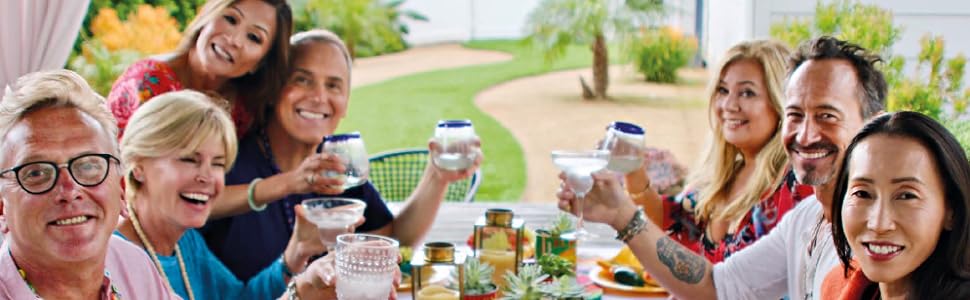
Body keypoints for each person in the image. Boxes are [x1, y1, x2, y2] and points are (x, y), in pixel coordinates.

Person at [556, 36, 887, 299]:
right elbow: (721, 287)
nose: (806, 133)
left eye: (827, 115)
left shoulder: (874, 233)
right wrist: (620, 213)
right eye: (796, 115)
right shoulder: (806, 218)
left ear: (870, 126)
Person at [202, 29, 482, 281]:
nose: (319, 97)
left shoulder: (338, 165)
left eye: (333, 85)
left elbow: (394, 240)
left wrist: (436, 176)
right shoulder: (231, 161)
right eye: (302, 79)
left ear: (346, 103)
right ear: (275, 89)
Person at [115, 90, 348, 299]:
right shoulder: (116, 258)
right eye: (188, 159)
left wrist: (293, 256)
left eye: (217, 164)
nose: (207, 177)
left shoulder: (185, 242)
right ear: (138, 166)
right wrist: (300, 291)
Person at [622, 39, 809, 263]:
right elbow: (670, 221)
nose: (729, 105)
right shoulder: (727, 175)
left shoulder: (796, 185)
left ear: (782, 104)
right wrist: (632, 169)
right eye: (723, 90)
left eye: (747, 93)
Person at [0, 70, 175, 298]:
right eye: (37, 173)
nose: (70, 191)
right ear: (2, 207)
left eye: (89, 166)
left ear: (121, 190)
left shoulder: (131, 264)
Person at [821, 111, 970, 299]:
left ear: (952, 211)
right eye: (862, 193)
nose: (878, 224)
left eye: (906, 196)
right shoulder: (836, 286)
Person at [108, 0, 292, 137]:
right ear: (207, 16)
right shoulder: (147, 81)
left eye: (253, 37)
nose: (234, 40)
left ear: (261, 62)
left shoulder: (245, 110)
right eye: (230, 19)